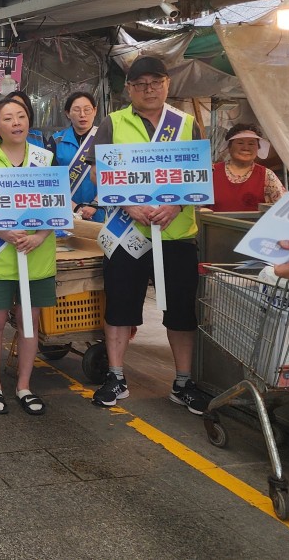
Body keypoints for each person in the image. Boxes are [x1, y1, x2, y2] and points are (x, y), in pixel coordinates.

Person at [87, 56, 208, 415]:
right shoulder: (113, 123)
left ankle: (183, 382)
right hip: (129, 234)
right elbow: (97, 172)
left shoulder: (186, 124)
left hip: (177, 234)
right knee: (121, 306)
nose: (148, 89)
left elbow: (196, 175)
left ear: (167, 84)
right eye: (140, 84)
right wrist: (129, 205)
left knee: (182, 312)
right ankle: (116, 376)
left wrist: (174, 207)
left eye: (155, 82)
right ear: (129, 89)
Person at [0, 96, 55, 416]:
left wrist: (38, 237)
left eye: (21, 116)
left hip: (36, 254)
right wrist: (4, 233)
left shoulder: (45, 158)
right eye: (7, 118)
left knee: (28, 323)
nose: (16, 123)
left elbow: (55, 206)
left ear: (29, 122)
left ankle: (24, 385)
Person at [47, 91, 105, 222]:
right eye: (76, 110)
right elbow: (50, 179)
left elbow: (114, 175)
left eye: (87, 109)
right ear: (67, 113)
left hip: (100, 210)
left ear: (95, 111)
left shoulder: (105, 137)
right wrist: (75, 207)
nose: (82, 115)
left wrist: (95, 204)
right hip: (65, 210)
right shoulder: (56, 141)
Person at [209, 123, 286, 212]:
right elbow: (195, 205)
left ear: (258, 148)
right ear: (229, 147)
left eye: (251, 144)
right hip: (214, 225)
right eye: (240, 142)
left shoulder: (267, 175)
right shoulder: (211, 171)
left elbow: (284, 207)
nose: (246, 148)